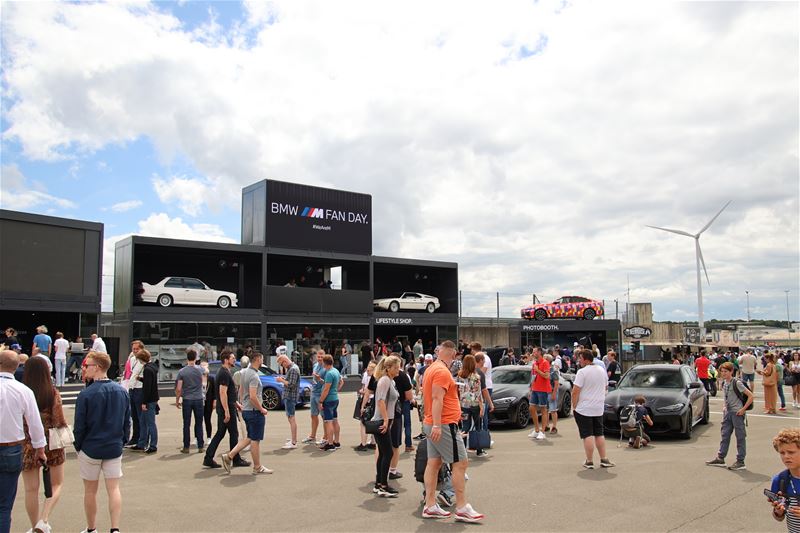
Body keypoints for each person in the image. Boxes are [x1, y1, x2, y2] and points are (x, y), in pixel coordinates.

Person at [421, 340, 484, 523]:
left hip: (436, 422)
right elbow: (436, 398)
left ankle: (430, 505)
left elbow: (434, 396)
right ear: (453, 354)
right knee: (461, 463)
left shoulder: (432, 368)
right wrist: (437, 425)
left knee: (434, 463)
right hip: (444, 424)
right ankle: (462, 507)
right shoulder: (441, 371)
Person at [74, 350, 130, 533]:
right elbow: (126, 421)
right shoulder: (121, 391)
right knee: (114, 489)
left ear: (97, 367)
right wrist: (123, 441)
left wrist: (78, 446)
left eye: (87, 365)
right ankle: (115, 528)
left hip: (91, 447)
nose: (85, 368)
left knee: (90, 491)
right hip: (113, 446)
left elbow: (79, 425)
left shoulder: (86, 394)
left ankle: (92, 528)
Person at [0, 350, 47, 533]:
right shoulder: (24, 391)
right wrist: (40, 449)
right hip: (11, 449)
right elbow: (35, 423)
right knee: (4, 506)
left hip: (11, 448)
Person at [20, 356, 67, 533]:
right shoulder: (52, 393)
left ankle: (34, 527)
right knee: (56, 484)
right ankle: (44, 519)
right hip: (52, 442)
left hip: (27, 443)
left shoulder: (22, 392)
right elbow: (59, 420)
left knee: (31, 490)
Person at [220, 352, 272, 475]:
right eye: (262, 359)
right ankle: (257, 467)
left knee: (249, 437)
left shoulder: (244, 373)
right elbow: (253, 396)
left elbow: (241, 390)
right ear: (257, 359)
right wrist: (261, 409)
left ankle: (229, 456)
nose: (262, 361)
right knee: (255, 440)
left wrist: (243, 403)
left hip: (247, 410)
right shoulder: (254, 376)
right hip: (254, 412)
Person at [203, 350, 249, 469]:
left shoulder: (225, 372)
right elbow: (222, 393)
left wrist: (236, 403)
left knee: (220, 433)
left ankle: (208, 458)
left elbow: (228, 393)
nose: (234, 360)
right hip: (226, 409)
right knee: (234, 433)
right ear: (226, 360)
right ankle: (235, 458)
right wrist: (227, 411)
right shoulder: (224, 373)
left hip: (227, 407)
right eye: (232, 358)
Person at [571, 349, 615, 469]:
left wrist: (574, 406)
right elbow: (605, 387)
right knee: (599, 434)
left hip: (584, 408)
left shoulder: (582, 372)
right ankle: (604, 458)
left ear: (586, 360)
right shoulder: (601, 370)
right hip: (598, 408)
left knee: (587, 435)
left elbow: (575, 391)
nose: (579, 361)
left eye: (580, 358)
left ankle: (589, 461)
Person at [706, 362, 753, 471]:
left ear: (731, 371)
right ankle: (721, 458)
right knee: (725, 435)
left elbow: (750, 396)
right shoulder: (725, 383)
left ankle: (740, 461)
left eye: (726, 371)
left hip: (737, 413)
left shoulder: (737, 383)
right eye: (722, 371)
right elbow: (726, 397)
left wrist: (743, 409)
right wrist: (724, 406)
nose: (723, 373)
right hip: (728, 413)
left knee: (740, 437)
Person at [371, 355, 401, 497]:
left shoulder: (390, 381)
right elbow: (381, 401)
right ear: (388, 368)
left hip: (385, 420)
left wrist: (389, 420)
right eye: (396, 367)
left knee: (384, 453)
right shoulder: (385, 380)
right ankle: (383, 485)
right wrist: (385, 420)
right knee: (388, 453)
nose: (398, 369)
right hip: (381, 421)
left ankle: (379, 484)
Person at [769, 427, 800, 530]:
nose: (786, 456)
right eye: (782, 453)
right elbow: (779, 517)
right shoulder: (780, 480)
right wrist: (778, 512)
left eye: (791, 452)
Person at [175, 349, 205, 453]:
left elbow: (179, 388)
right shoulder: (200, 370)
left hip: (187, 399)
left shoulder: (182, 372)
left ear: (187, 358)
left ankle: (186, 447)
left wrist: (177, 399)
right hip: (198, 398)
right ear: (196, 358)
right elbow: (204, 380)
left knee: (186, 424)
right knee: (199, 423)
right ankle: (200, 446)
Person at [455, 354, 484, 454]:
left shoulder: (459, 376)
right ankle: (479, 449)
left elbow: (457, 391)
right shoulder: (476, 377)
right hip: (475, 404)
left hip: (464, 405)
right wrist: (481, 407)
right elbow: (478, 393)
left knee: (465, 426)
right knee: (478, 426)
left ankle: (462, 450)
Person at [276, 350, 301, 449]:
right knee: (290, 418)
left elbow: (291, 384)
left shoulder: (293, 369)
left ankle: (294, 442)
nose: (283, 366)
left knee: (291, 418)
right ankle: (293, 440)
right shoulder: (292, 368)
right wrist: (283, 379)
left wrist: (281, 380)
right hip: (289, 396)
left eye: (282, 364)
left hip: (290, 396)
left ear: (285, 361)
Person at [136, 351, 159, 454]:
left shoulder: (147, 370)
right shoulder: (153, 367)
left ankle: (152, 445)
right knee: (144, 422)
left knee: (149, 423)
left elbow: (147, 387)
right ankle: (142, 443)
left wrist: (144, 402)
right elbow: (149, 382)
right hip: (153, 398)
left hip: (149, 400)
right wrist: (141, 379)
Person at [303, 349, 328, 446]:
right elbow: (314, 379)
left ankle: (325, 437)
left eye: (322, 356)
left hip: (321, 394)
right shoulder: (315, 365)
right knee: (313, 415)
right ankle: (312, 436)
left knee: (324, 417)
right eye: (318, 356)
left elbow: (327, 383)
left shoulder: (326, 368)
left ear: (325, 357)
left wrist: (319, 379)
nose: (320, 358)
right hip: (313, 393)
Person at [318, 354, 342, 451]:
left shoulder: (329, 373)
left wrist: (320, 401)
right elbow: (341, 382)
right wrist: (336, 390)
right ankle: (336, 441)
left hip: (328, 400)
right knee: (335, 420)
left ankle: (330, 443)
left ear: (325, 363)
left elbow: (326, 389)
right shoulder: (336, 371)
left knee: (328, 422)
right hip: (335, 399)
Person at [126, 345, 147, 451]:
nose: (135, 351)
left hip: (139, 388)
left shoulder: (144, 361)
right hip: (132, 389)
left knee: (140, 417)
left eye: (137, 349)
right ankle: (135, 438)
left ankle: (143, 441)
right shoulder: (132, 359)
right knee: (134, 416)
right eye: (133, 349)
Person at [528, 347, 551, 440]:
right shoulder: (534, 363)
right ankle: (536, 430)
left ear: (539, 352)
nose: (533, 353)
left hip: (543, 389)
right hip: (535, 388)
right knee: (531, 408)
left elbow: (547, 376)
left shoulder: (545, 362)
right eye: (533, 352)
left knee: (543, 409)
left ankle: (543, 431)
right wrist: (531, 388)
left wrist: (537, 370)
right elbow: (533, 377)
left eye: (534, 352)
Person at [355, 361, 377, 451]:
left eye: (369, 370)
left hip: (369, 401)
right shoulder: (378, 378)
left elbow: (367, 393)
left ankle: (363, 444)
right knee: (374, 421)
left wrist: (362, 406)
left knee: (363, 423)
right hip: (375, 402)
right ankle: (373, 442)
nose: (367, 372)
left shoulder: (372, 379)